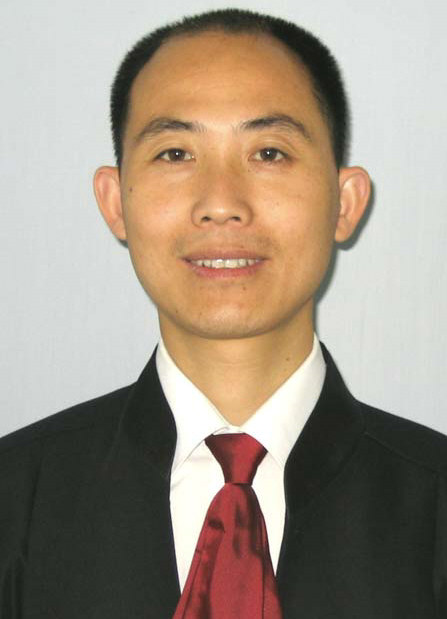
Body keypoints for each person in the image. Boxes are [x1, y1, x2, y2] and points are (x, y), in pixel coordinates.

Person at [1, 8, 446, 618]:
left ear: (344, 204)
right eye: (175, 153)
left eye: (269, 152)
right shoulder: (15, 498)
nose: (221, 203)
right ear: (114, 202)